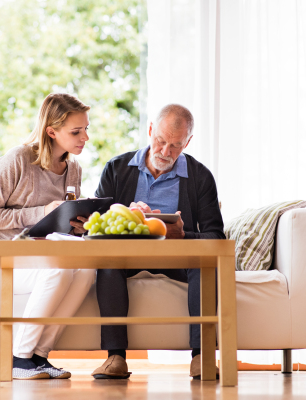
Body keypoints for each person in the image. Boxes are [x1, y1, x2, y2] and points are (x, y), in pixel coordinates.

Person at [88, 103, 225, 380]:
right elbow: (96, 228)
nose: (165, 152)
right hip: (127, 257)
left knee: (204, 266)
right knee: (108, 264)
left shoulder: (200, 177)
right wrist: (126, 217)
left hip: (178, 258)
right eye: (161, 141)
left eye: (176, 145)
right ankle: (115, 357)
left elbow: (215, 238)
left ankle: (202, 356)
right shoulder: (116, 168)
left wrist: (184, 235)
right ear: (150, 130)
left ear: (188, 142)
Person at [0, 93, 95, 380]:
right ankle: (18, 358)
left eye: (86, 128)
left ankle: (39, 356)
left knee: (87, 270)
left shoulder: (73, 168)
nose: (84, 137)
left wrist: (76, 224)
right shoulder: (18, 159)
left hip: (40, 254)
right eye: (76, 131)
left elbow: (55, 224)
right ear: (51, 131)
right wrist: (41, 212)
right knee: (58, 271)